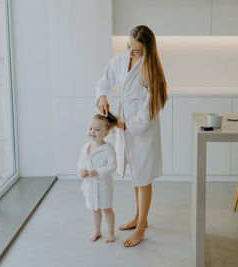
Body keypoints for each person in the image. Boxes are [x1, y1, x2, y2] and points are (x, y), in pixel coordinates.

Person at [95, 25, 167, 247]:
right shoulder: (119, 60)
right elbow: (103, 81)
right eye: (129, 47)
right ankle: (138, 217)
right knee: (135, 174)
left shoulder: (151, 71)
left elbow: (149, 110)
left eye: (136, 50)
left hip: (140, 128)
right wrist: (102, 97)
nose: (130, 53)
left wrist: (126, 126)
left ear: (147, 50)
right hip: (123, 122)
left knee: (143, 176)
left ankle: (142, 226)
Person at [77, 114, 117, 243]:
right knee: (95, 209)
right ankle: (97, 230)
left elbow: (112, 166)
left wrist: (97, 171)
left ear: (106, 133)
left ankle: (111, 233)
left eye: (97, 129)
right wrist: (82, 171)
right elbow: (81, 162)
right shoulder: (86, 147)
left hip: (103, 184)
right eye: (90, 128)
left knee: (107, 208)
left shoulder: (108, 149)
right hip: (90, 184)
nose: (92, 132)